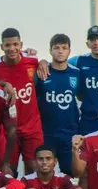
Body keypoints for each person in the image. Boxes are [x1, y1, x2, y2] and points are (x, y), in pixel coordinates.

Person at [37, 26, 98, 135]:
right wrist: (43, 62)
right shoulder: (79, 61)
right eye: (92, 39)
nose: (96, 42)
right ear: (87, 44)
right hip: (88, 120)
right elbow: (59, 63)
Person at [0, 28, 42, 174]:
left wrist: (43, 62)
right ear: (1, 47)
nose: (12, 48)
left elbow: (42, 63)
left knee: (34, 169)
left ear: (21, 45)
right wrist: (3, 84)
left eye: (15, 44)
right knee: (8, 171)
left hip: (32, 128)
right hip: (7, 129)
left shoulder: (32, 61)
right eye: (7, 45)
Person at [34, 33, 81, 174]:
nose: (60, 51)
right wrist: (40, 62)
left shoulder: (76, 73)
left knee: (71, 173)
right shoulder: (42, 72)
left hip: (69, 134)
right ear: (50, 51)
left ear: (69, 51)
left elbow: (82, 96)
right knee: (45, 173)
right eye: (56, 48)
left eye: (64, 48)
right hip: (46, 133)